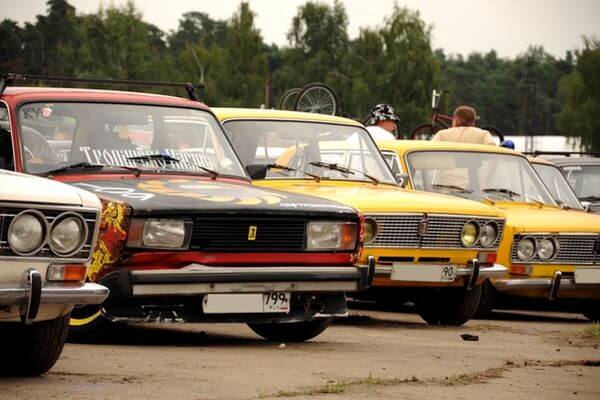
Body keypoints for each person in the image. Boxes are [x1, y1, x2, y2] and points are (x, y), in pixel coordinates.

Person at [431, 106, 496, 145]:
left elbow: (431, 152)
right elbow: (493, 152)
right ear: (473, 122)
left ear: (456, 119)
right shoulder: (484, 134)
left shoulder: (442, 134)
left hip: (448, 165)